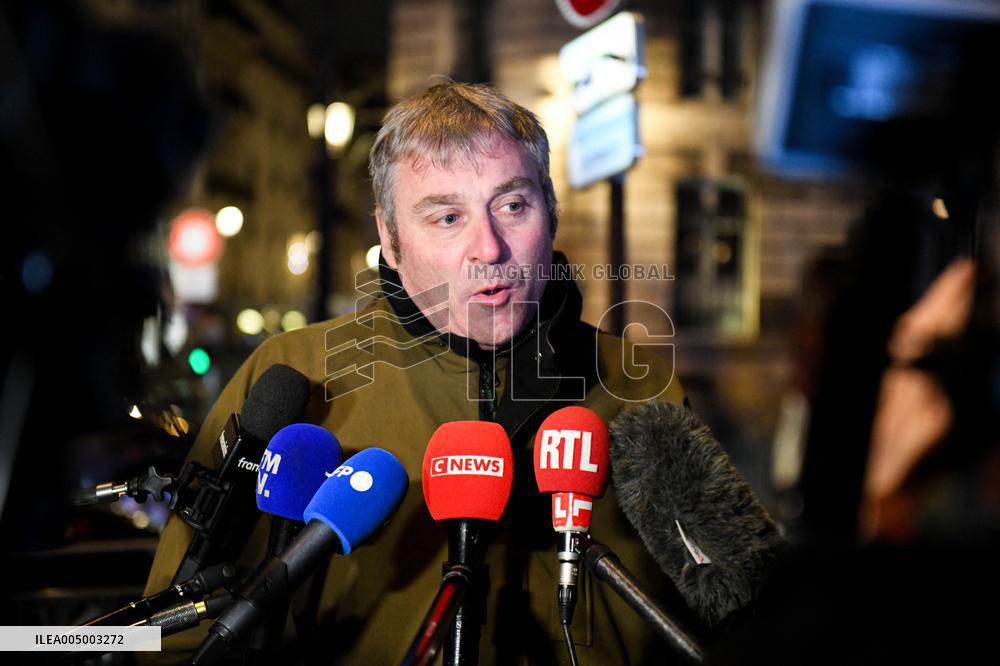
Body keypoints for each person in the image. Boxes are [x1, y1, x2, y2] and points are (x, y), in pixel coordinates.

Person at [142, 83, 691, 665]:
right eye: (447, 216)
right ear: (390, 238)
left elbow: (734, 613)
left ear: (550, 212)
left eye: (512, 205)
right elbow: (166, 641)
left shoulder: (640, 387)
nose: (488, 247)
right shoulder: (291, 379)